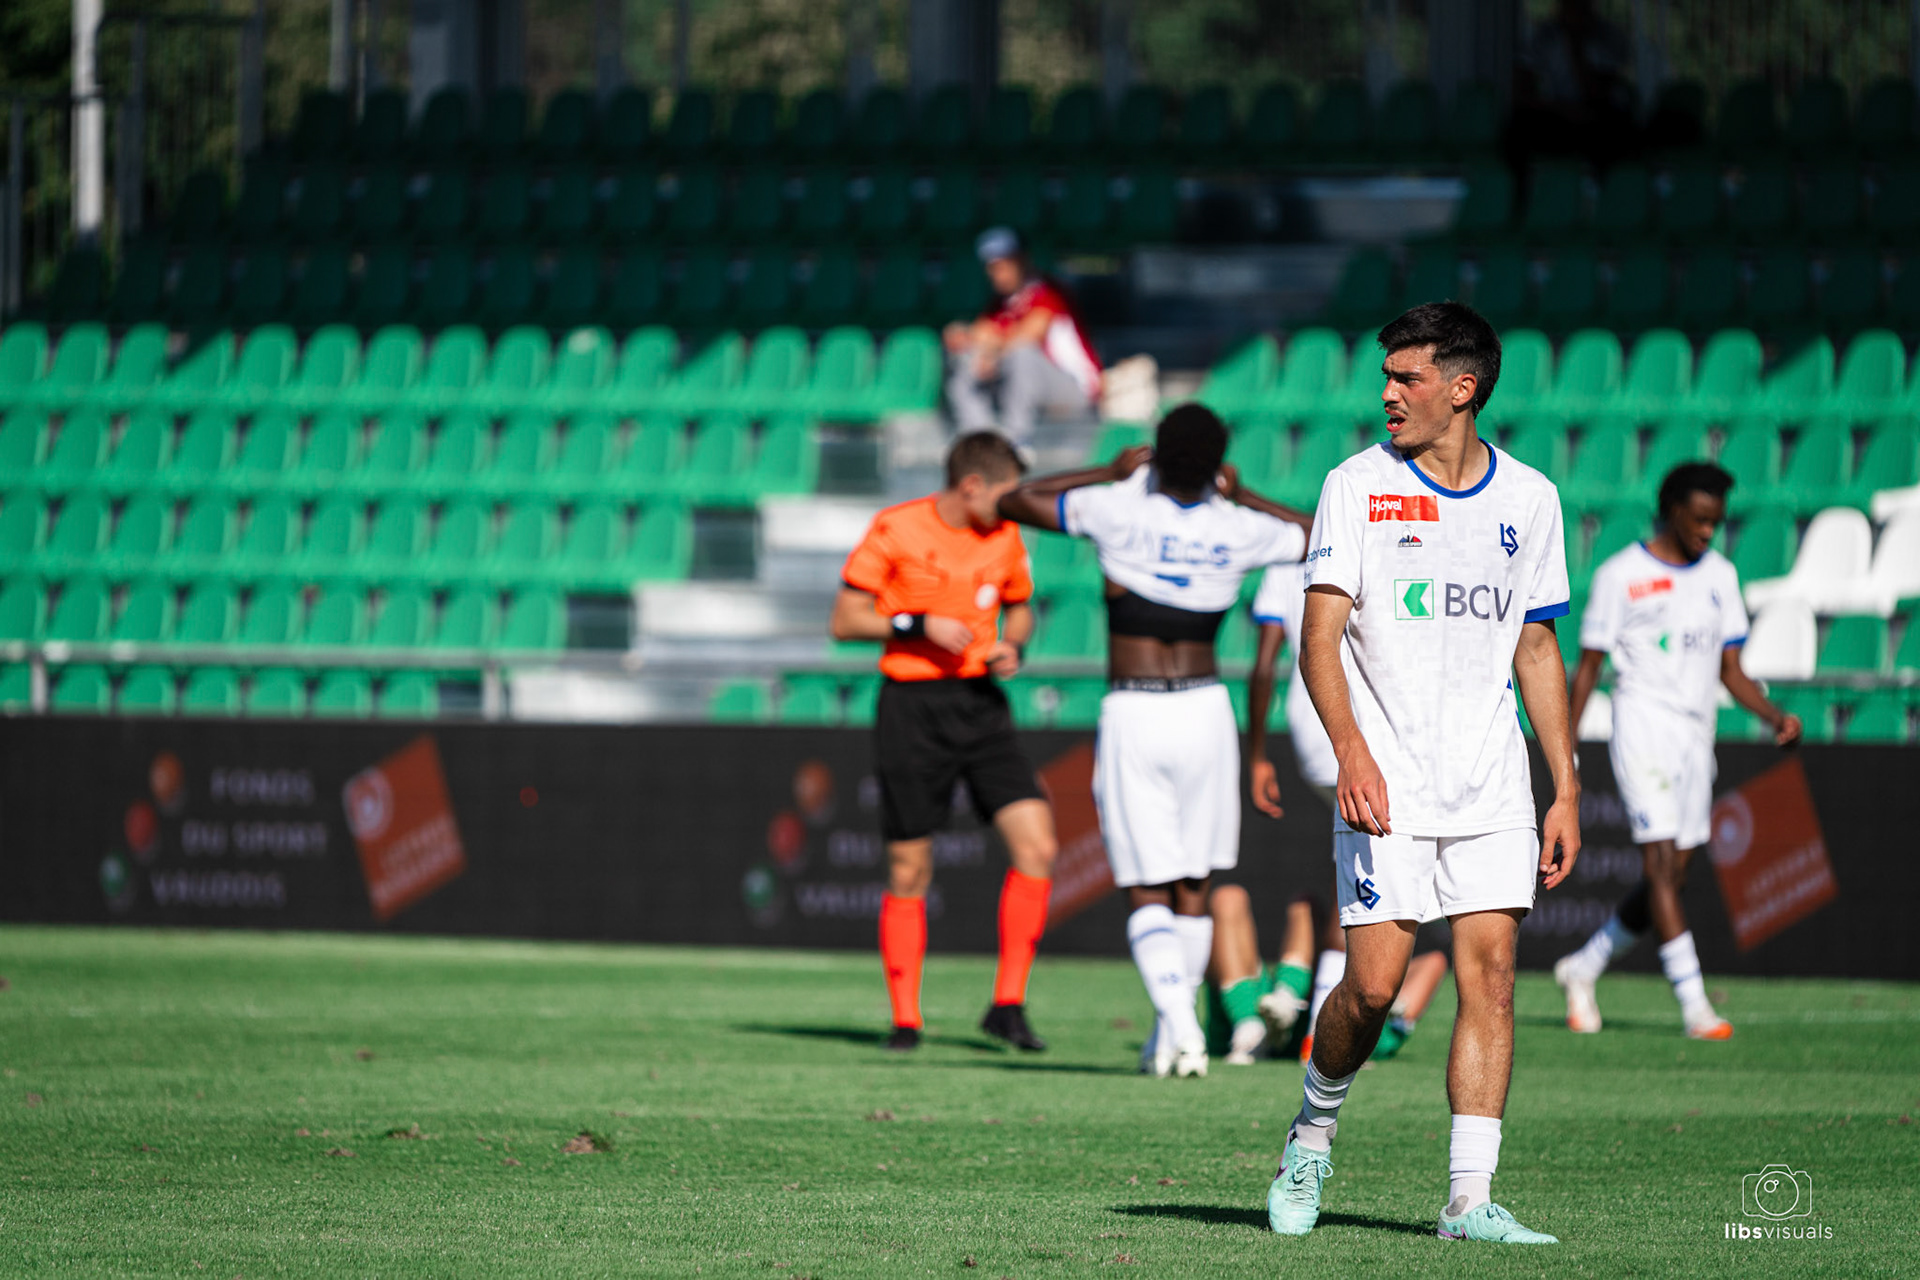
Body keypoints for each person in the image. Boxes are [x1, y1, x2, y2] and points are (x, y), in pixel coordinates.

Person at [1268, 302, 1580, 1246]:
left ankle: (1467, 1199)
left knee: (1493, 977)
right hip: (1386, 784)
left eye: (1406, 378)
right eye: (1386, 376)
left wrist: (1564, 785)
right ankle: (1312, 1135)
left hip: (1493, 787)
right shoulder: (1355, 486)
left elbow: (1536, 646)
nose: (1387, 393)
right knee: (1372, 987)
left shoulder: (1532, 499)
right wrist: (1351, 753)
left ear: (1463, 387)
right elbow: (1318, 638)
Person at [997, 403, 1312, 1078]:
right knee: (1194, 880)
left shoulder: (1117, 506)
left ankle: (1178, 1026)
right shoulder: (1239, 528)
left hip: (1135, 711)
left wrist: (1105, 469)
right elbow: (1322, 536)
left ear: (1158, 456)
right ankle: (1175, 1030)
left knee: (1145, 884)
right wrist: (1245, 492)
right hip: (1205, 710)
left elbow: (1015, 498)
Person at [1553, 462, 1803, 1040]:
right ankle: (1695, 1007)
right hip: (1641, 729)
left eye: (1716, 523)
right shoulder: (1622, 576)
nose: (1708, 533)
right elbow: (1588, 668)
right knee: (1661, 867)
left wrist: (1772, 716)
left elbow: (1732, 671)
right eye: (1699, 520)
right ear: (1671, 512)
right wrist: (1564, 751)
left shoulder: (1720, 575)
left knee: (1675, 876)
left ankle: (1583, 967)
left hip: (1697, 737)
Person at [831, 431, 1060, 1054]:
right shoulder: (897, 528)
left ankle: (1007, 1005)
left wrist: (1015, 645)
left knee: (1037, 844)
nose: (1015, 505)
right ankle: (906, 1020)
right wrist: (916, 623)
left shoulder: (1006, 536)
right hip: (912, 706)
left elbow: (1019, 609)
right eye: (1007, 492)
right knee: (910, 866)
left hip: (981, 705)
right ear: (972, 486)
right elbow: (844, 620)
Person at [1244, 554, 1453, 1067]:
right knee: (1371, 879)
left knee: (1358, 870)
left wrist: (1256, 754)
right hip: (1359, 726)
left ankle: (1301, 993)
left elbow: (1265, 662)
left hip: (1309, 726)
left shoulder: (1285, 565)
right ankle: (1322, 1021)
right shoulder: (1392, 548)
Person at [1202, 886, 1450, 1067]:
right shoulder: (1385, 1032)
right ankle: (1283, 998)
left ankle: (1252, 1026)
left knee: (1233, 899)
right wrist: (1387, 992)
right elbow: (1434, 963)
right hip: (1286, 1009)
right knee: (1299, 902)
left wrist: (1385, 996)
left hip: (1260, 1016)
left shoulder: (1380, 1040)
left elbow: (1434, 963)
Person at [944, 227, 1102, 446]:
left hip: (1076, 388)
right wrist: (964, 336)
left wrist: (990, 350)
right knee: (967, 359)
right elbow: (977, 334)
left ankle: (1014, 443)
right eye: (993, 267)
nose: (998, 273)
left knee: (1021, 355)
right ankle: (979, 442)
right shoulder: (1001, 303)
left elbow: (1028, 336)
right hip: (1032, 386)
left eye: (1004, 264)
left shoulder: (1049, 291)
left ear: (1022, 260)